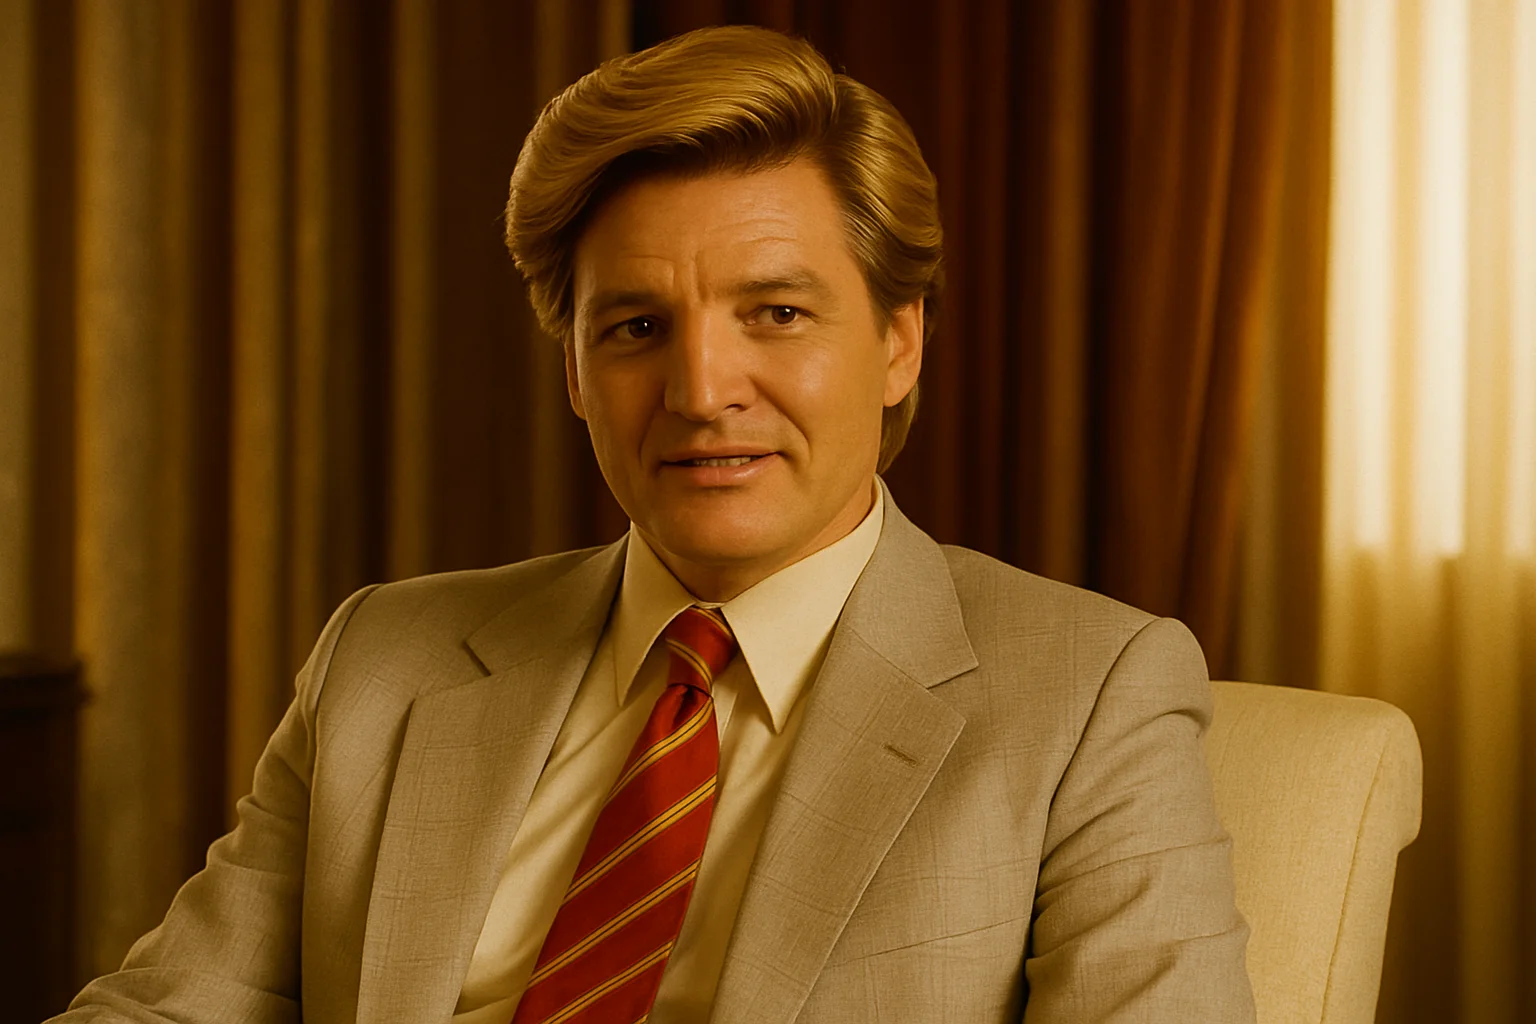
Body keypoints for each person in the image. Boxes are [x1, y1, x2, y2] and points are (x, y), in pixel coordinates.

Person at [55, 24, 1255, 1024]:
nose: (699, 388)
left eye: (776, 312)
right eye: (635, 328)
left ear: (900, 341)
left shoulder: (1089, 696)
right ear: (573, 369)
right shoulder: (385, 661)